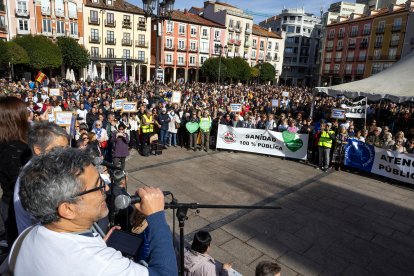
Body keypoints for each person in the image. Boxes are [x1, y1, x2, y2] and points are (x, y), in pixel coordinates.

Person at [13, 148, 178, 275]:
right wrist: (156, 216)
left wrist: (100, 245)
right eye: (98, 185)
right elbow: (166, 273)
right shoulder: (100, 265)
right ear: (68, 209)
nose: (106, 188)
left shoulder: (27, 235)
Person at [14, 121, 69, 234]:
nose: (64, 153)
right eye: (58, 149)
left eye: (66, 148)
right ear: (38, 150)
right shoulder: (34, 177)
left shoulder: (49, 167)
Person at [0, 97, 32, 248]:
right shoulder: (17, 150)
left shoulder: (7, 144)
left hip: (8, 206)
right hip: (21, 209)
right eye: (25, 113)